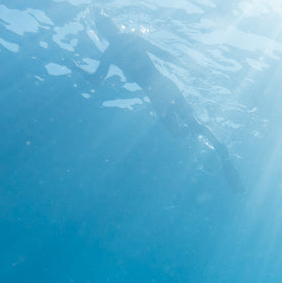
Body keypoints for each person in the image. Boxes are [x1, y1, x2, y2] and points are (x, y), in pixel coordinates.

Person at [83, 14, 245, 193]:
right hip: (162, 88)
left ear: (107, 30)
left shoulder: (113, 51)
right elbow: (164, 55)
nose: (109, 30)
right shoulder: (119, 48)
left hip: (158, 91)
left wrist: (191, 69)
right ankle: (221, 154)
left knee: (183, 128)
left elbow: (96, 80)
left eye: (107, 26)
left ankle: (223, 156)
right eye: (106, 27)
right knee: (184, 129)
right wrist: (190, 68)